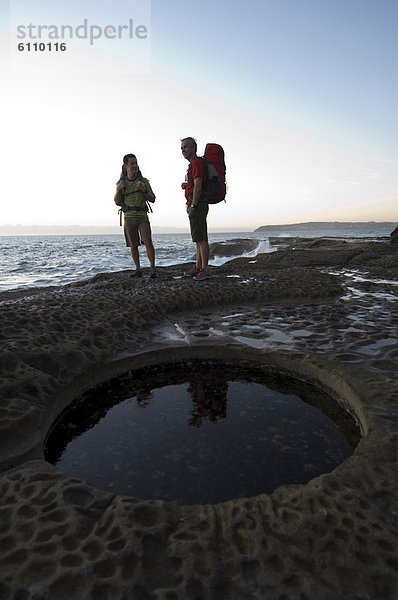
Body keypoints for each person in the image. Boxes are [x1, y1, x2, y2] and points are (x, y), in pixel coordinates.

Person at [114, 154, 156, 278]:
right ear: (125, 166)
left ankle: (153, 268)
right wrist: (118, 190)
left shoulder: (143, 181)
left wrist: (143, 189)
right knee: (133, 245)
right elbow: (117, 202)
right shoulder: (121, 183)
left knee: (148, 241)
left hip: (142, 216)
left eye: (136, 163)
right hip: (128, 216)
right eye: (131, 163)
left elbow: (153, 199)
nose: (135, 166)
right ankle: (138, 269)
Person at [181, 137, 210, 281]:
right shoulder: (193, 164)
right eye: (182, 148)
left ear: (193, 148)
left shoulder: (197, 163)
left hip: (197, 204)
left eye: (186, 147)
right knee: (198, 238)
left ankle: (204, 269)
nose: (183, 150)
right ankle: (198, 267)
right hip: (194, 203)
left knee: (202, 239)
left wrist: (194, 204)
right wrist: (187, 185)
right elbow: (195, 184)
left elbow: (198, 185)